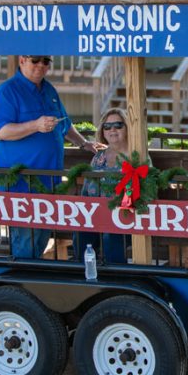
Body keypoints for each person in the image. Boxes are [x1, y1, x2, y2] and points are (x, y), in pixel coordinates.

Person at [0, 55, 102, 259]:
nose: (41, 65)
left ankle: (29, 284)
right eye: (35, 60)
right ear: (22, 60)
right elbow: (1, 132)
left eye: (46, 61)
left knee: (40, 240)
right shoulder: (6, 92)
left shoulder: (49, 90)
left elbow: (64, 123)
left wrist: (83, 143)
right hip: (21, 186)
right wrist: (35, 125)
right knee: (25, 245)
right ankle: (20, 287)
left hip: (48, 183)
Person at [78, 107, 130, 264]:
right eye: (107, 126)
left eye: (118, 125)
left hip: (124, 216)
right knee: (81, 233)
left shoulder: (137, 154)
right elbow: (86, 190)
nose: (112, 130)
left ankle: (116, 278)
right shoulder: (99, 157)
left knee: (111, 236)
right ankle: (84, 272)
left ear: (127, 127)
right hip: (95, 214)